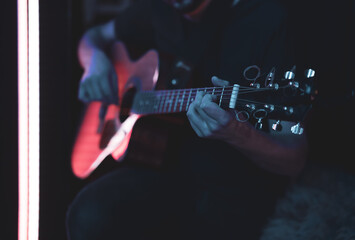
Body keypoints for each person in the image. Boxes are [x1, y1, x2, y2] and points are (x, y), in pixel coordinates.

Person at [66, 0, 309, 239]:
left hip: (234, 191)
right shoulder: (157, 8)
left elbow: (294, 159)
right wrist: (95, 62)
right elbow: (93, 37)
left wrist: (238, 131)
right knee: (88, 214)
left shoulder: (268, 18)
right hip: (165, 168)